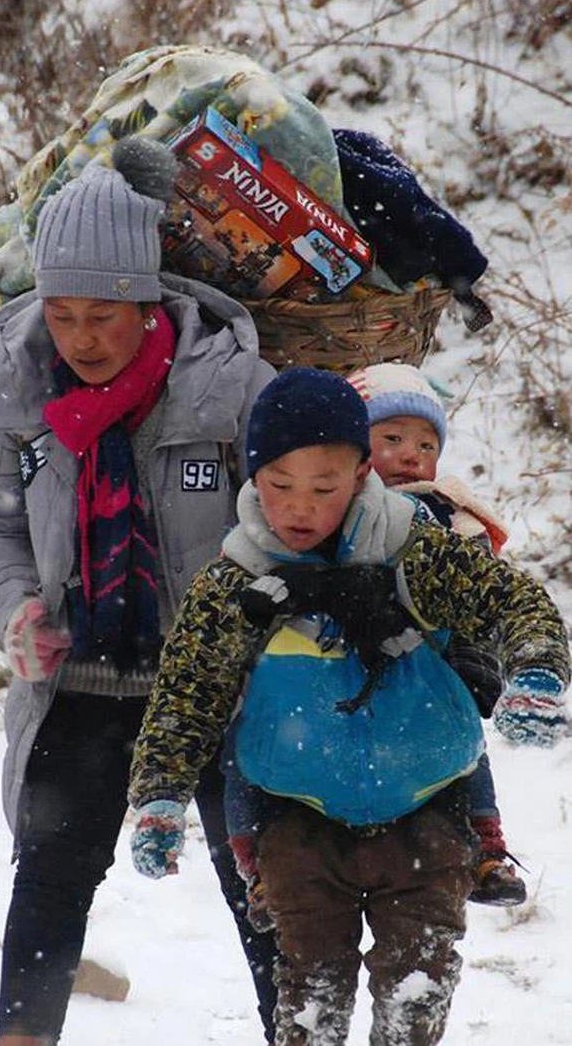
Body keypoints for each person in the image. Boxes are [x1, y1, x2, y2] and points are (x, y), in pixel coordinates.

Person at [127, 367, 570, 1046]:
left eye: (324, 488)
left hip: (427, 807)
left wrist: (536, 665)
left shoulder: (413, 549)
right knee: (308, 996)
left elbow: (510, 599)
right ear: (253, 476)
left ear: (363, 474)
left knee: (416, 990)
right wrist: (159, 793)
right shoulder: (238, 579)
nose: (300, 507)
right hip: (297, 823)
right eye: (279, 486)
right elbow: (188, 692)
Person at [0, 135, 278, 1046]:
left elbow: (296, 522)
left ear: (149, 302)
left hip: (216, 693)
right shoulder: (15, 384)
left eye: (105, 313)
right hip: (81, 685)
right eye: (62, 314)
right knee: (50, 878)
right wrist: (16, 607)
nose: (82, 338)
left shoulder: (231, 388)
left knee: (265, 888)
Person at [349, 361, 526, 905]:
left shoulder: (451, 517)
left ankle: (486, 846)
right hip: (346, 664)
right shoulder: (332, 506)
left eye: (426, 444)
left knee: (465, 753)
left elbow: (481, 601)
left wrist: (477, 663)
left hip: (433, 663)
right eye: (392, 438)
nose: (411, 454)